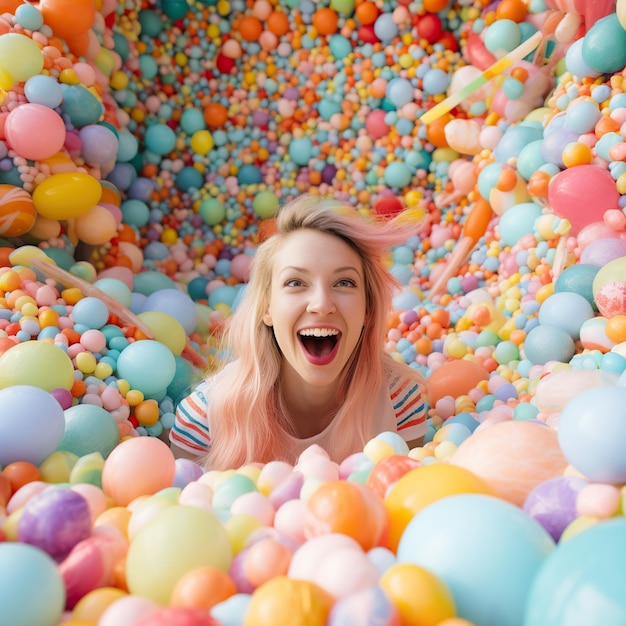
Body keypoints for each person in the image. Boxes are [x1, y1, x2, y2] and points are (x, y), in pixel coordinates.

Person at [170, 194, 429, 469]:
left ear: (367, 309)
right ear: (267, 307)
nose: (321, 305)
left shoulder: (399, 403)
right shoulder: (205, 417)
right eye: (295, 282)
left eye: (344, 282)